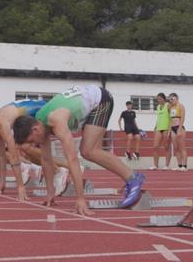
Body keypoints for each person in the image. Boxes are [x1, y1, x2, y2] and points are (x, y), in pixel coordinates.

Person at [12, 85, 146, 215]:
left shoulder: (57, 121)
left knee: (88, 151)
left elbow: (72, 160)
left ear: (35, 130)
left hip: (101, 100)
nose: (33, 144)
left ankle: (132, 177)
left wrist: (81, 199)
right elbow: (46, 160)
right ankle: (131, 177)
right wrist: (50, 192)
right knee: (89, 150)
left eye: (31, 141)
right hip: (87, 101)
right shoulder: (40, 122)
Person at [151, 93, 172, 170]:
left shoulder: (168, 105)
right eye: (158, 99)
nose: (158, 100)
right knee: (155, 147)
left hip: (166, 128)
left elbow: (171, 118)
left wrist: (170, 129)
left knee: (166, 147)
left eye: (160, 99)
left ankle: (167, 165)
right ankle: (155, 165)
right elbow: (158, 118)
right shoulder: (158, 107)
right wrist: (155, 127)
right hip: (159, 128)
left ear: (164, 98)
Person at [168, 93, 188, 171]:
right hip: (173, 128)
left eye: (172, 99)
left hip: (179, 127)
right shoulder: (171, 107)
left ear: (176, 98)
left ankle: (184, 166)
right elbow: (170, 120)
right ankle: (179, 165)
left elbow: (182, 118)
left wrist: (179, 128)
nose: (171, 100)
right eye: (170, 99)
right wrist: (169, 130)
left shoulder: (180, 106)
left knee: (182, 147)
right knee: (176, 148)